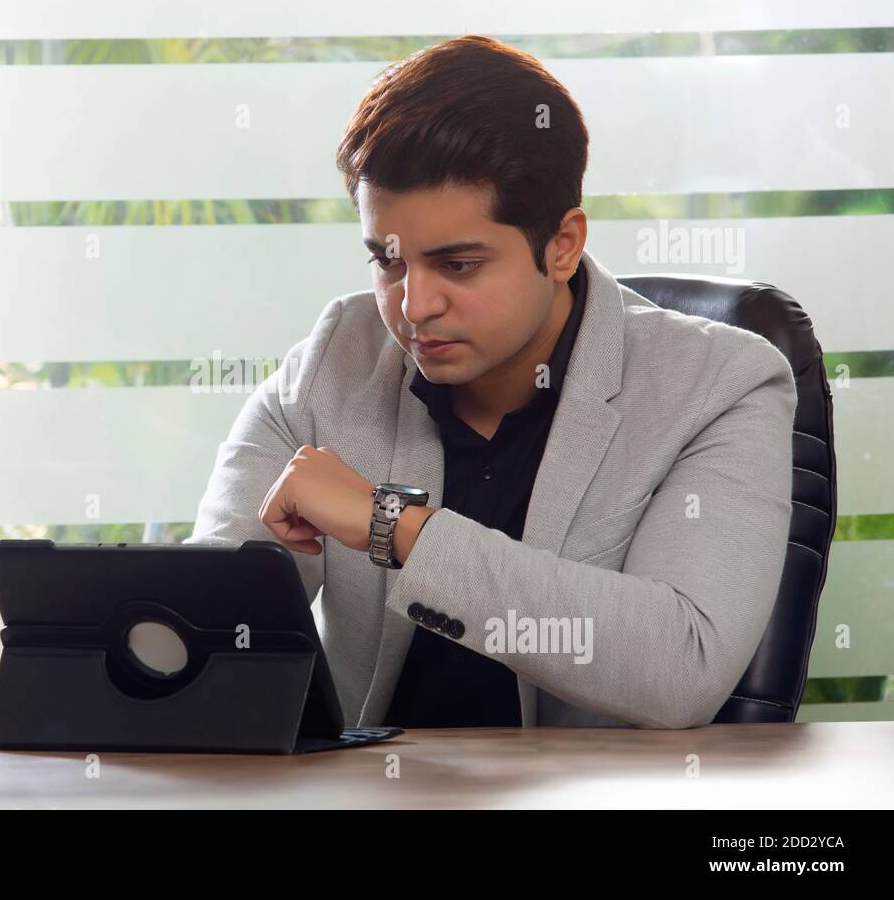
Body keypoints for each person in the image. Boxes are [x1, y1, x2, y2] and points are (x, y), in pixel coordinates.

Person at [185, 36, 797, 730]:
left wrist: (394, 527)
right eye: (388, 263)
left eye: (459, 265)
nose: (414, 306)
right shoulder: (333, 362)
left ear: (562, 245)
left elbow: (682, 665)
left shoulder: (723, 385)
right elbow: (206, 626)